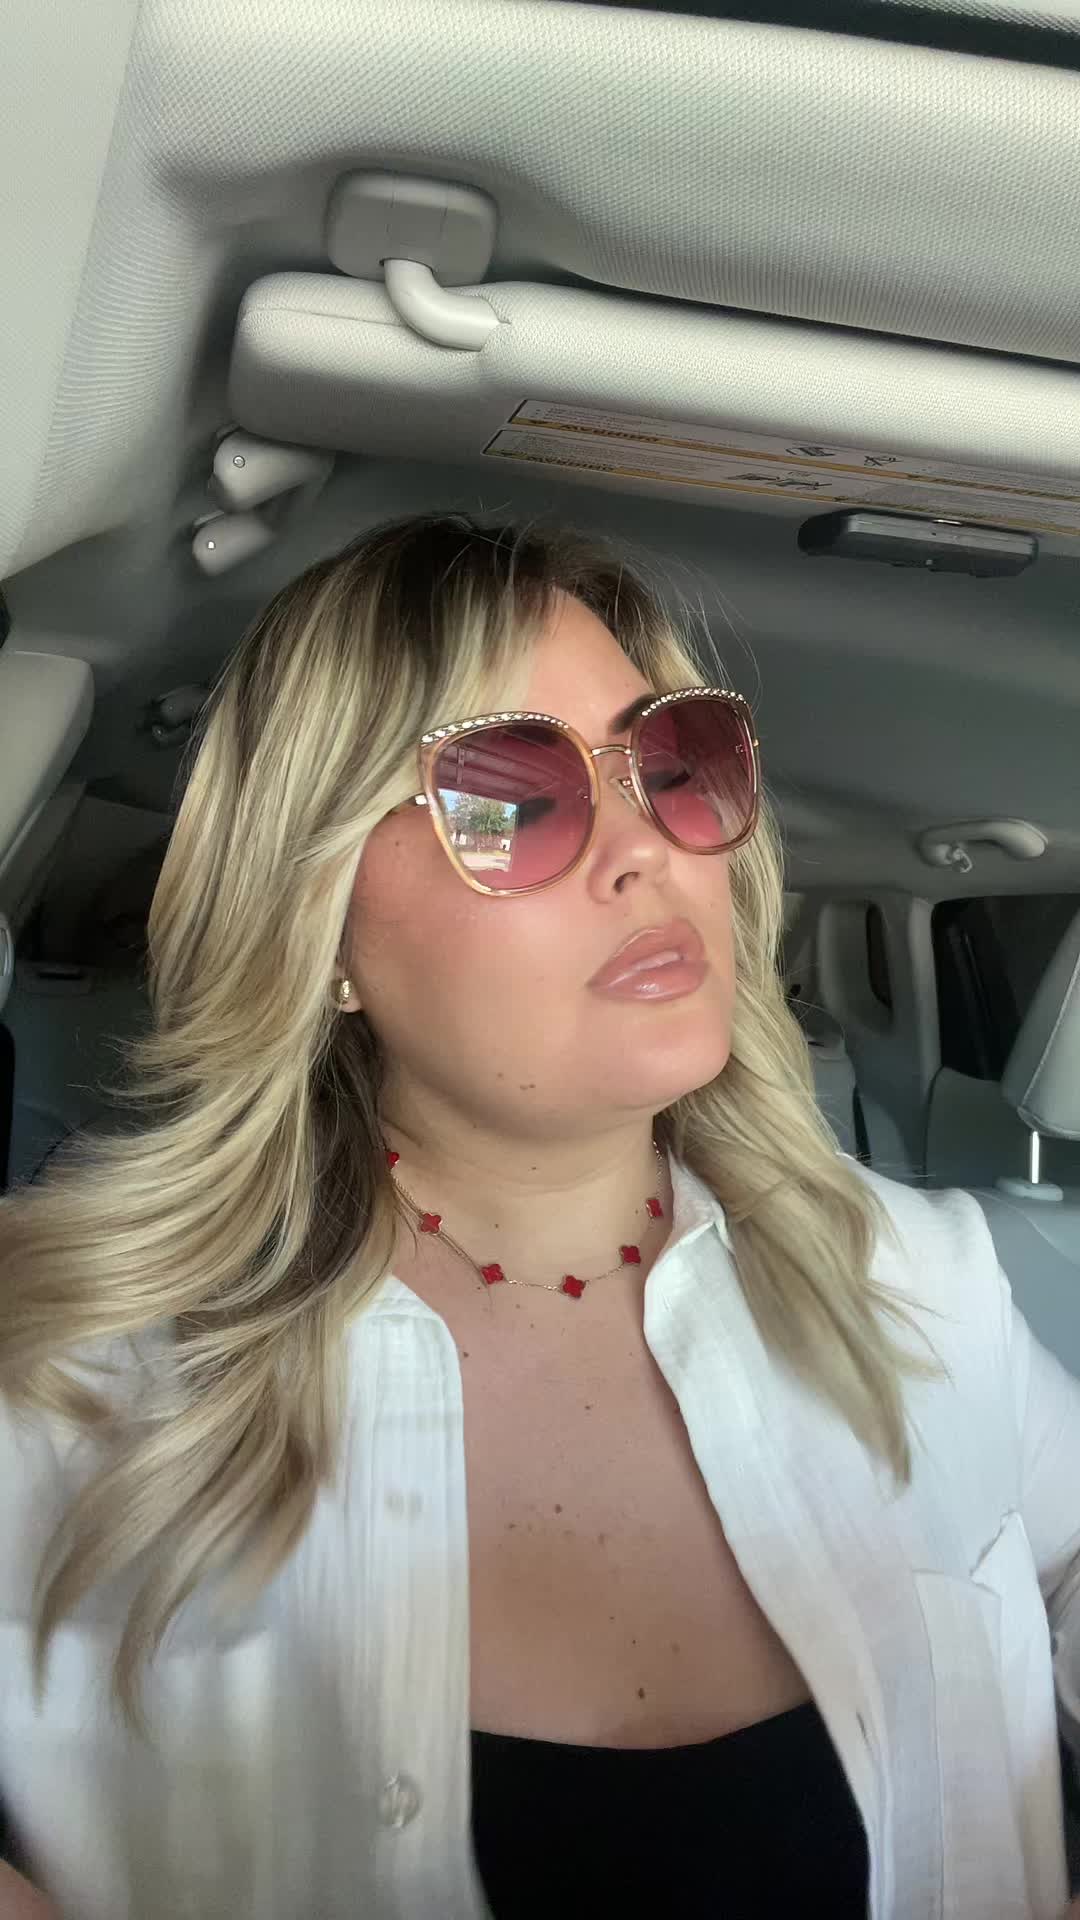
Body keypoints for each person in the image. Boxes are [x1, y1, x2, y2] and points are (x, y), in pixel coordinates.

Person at [1, 512, 1079, 1919]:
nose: (646, 851)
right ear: (318, 927)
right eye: (507, 797)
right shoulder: (76, 1363)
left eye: (671, 763)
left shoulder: (918, 1277)